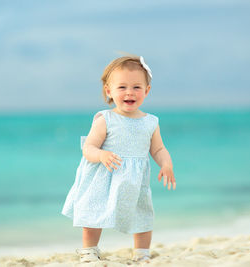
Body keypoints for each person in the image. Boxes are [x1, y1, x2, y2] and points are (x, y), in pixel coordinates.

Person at [61, 54, 176, 263]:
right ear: (109, 91)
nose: (129, 92)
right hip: (104, 176)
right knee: (93, 213)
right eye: (122, 87)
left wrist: (166, 163)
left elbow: (158, 149)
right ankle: (89, 250)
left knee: (142, 214)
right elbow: (89, 148)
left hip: (134, 180)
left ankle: (142, 253)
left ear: (147, 91)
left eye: (136, 87)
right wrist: (101, 154)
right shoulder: (105, 119)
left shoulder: (150, 122)